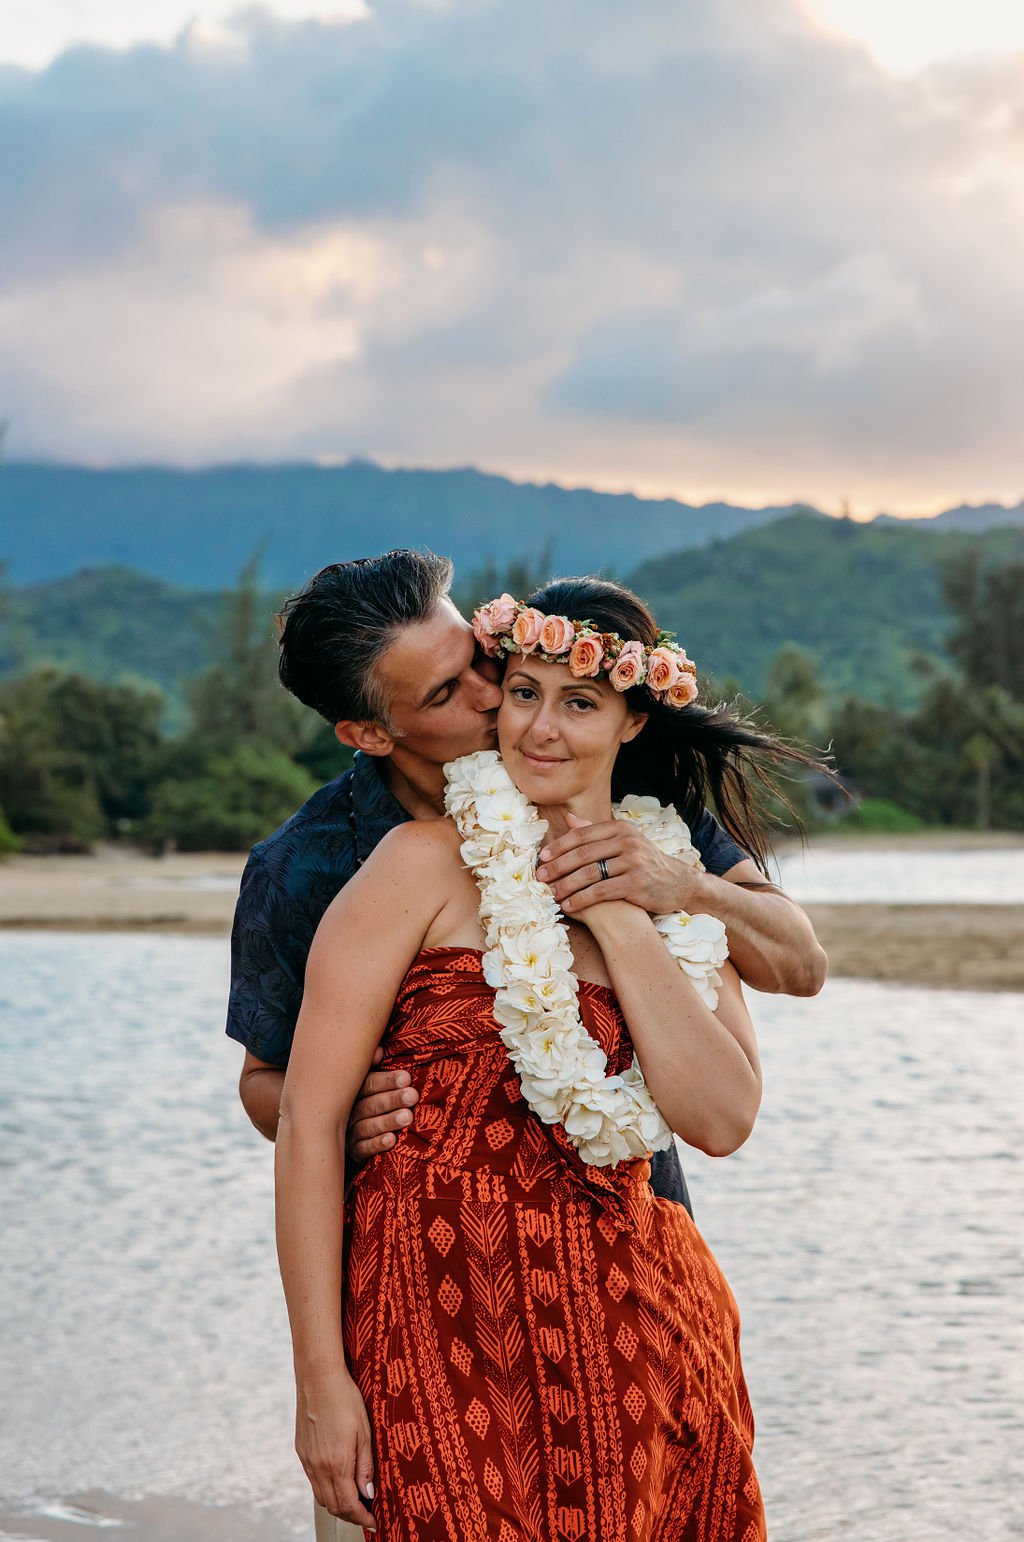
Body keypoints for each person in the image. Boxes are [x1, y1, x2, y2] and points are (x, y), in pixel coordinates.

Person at [274, 576, 783, 1538]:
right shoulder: (415, 864)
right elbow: (306, 1120)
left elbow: (722, 1120)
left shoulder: (672, 881)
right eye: (521, 693)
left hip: (643, 1333)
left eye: (580, 702)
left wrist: (620, 914)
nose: (540, 728)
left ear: (633, 720)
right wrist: (321, 1384)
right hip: (440, 1323)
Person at [228, 551, 827, 1205]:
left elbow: (800, 968)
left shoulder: (623, 790)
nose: (491, 695)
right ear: (370, 733)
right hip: (421, 1237)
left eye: (479, 660)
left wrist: (690, 887)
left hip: (637, 1222)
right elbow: (265, 1080)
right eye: (445, 693)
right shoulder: (301, 866)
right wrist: (337, 1115)